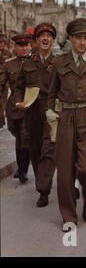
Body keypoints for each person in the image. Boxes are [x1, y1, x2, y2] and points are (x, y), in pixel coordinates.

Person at [47, 18, 86, 231]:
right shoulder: (59, 63)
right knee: (64, 171)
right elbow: (51, 92)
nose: (83, 43)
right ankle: (69, 217)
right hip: (66, 116)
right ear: (70, 39)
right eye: (79, 38)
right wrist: (50, 112)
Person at [15, 23, 57, 207]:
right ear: (37, 41)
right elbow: (18, 87)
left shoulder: (59, 63)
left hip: (51, 113)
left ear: (53, 40)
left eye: (49, 36)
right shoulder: (28, 63)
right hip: (31, 113)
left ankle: (43, 189)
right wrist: (18, 101)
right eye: (42, 36)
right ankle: (44, 185)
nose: (45, 38)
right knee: (34, 150)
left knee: (49, 149)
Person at [1, 34, 33, 183]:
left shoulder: (35, 63)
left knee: (24, 137)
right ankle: (22, 166)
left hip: (30, 105)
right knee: (19, 137)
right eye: (21, 46)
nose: (24, 48)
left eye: (27, 45)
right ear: (15, 47)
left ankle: (22, 170)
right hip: (14, 107)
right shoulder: (9, 64)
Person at [0, 33, 13, 128]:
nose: (2, 44)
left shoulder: (8, 54)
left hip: (4, 81)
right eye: (0, 43)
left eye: (3, 43)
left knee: (2, 101)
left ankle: (1, 119)